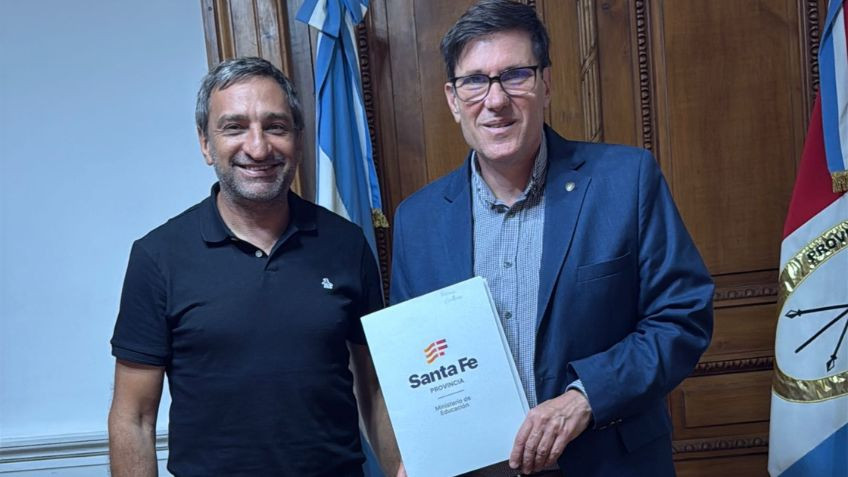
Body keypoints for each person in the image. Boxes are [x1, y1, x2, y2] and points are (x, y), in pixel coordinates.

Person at [389, 1, 714, 476]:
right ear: (453, 99)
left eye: (515, 75)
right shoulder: (417, 221)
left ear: (546, 84)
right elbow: (416, 362)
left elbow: (682, 319)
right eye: (474, 81)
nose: (495, 100)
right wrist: (424, 449)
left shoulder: (626, 181)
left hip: (607, 464)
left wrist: (585, 398)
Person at [108, 57, 398, 476]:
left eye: (275, 127)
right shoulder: (157, 257)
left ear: (298, 139)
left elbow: (376, 389)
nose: (258, 148)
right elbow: (133, 418)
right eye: (235, 127)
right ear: (205, 144)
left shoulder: (346, 244)